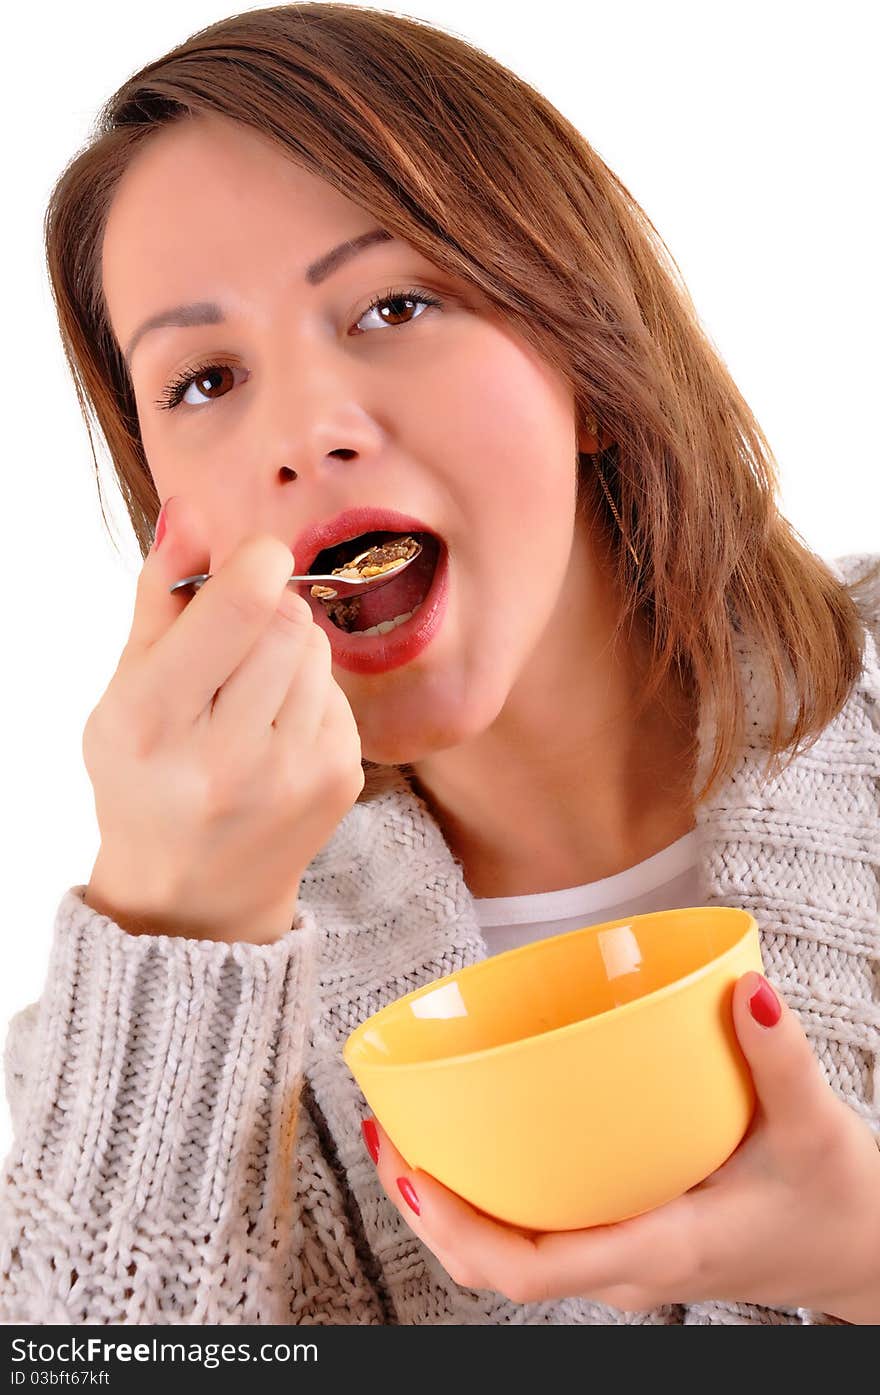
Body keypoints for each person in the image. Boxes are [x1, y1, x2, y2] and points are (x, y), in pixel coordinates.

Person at [1, 3, 878, 1325]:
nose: (304, 433)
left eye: (395, 303)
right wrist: (173, 936)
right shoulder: (174, 1019)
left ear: (586, 353)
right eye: (203, 380)